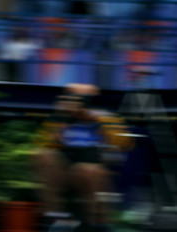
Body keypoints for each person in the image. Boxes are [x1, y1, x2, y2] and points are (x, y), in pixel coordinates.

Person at [33, 83, 133, 231]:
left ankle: (95, 224)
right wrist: (61, 118)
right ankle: (57, 219)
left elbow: (125, 144)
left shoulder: (105, 118)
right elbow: (43, 144)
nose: (74, 103)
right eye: (70, 98)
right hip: (66, 171)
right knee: (43, 156)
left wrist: (96, 119)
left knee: (86, 170)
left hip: (94, 168)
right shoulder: (59, 119)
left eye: (80, 99)